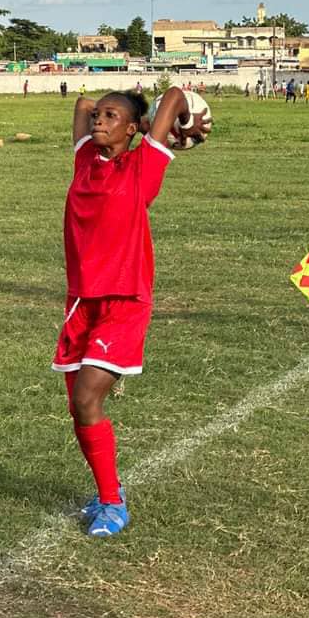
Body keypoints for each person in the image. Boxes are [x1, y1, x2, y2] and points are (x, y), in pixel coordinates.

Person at [52, 87, 211, 536]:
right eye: (99, 115)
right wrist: (113, 105)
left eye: (110, 116)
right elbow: (81, 105)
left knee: (87, 398)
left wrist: (164, 124)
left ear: (132, 128)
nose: (98, 120)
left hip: (124, 301)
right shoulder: (85, 159)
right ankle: (108, 491)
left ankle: (112, 504)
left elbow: (178, 95)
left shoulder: (145, 167)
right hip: (82, 301)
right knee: (79, 410)